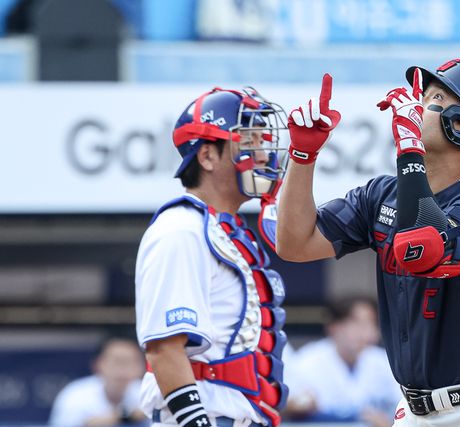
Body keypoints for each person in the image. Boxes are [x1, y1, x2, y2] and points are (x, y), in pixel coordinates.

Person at [276, 59, 460, 426]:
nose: (416, 105)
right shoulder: (382, 194)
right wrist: (303, 155)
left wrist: (410, 150)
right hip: (413, 409)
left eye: (435, 99)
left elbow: (422, 251)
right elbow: (295, 244)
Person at [135, 86, 289, 427]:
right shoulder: (181, 228)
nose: (263, 155)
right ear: (207, 156)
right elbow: (164, 348)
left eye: (262, 141)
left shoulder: (226, 230)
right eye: (249, 142)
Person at [286, 296, 400, 427]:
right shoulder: (306, 361)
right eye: (356, 323)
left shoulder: (385, 362)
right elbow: (290, 407)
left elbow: (405, 408)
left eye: (371, 324)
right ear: (334, 327)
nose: (365, 331)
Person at [49, 337, 146, 427]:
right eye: (117, 361)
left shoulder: (145, 392)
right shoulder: (75, 394)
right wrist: (125, 417)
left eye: (129, 362)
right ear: (99, 364)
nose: (122, 370)